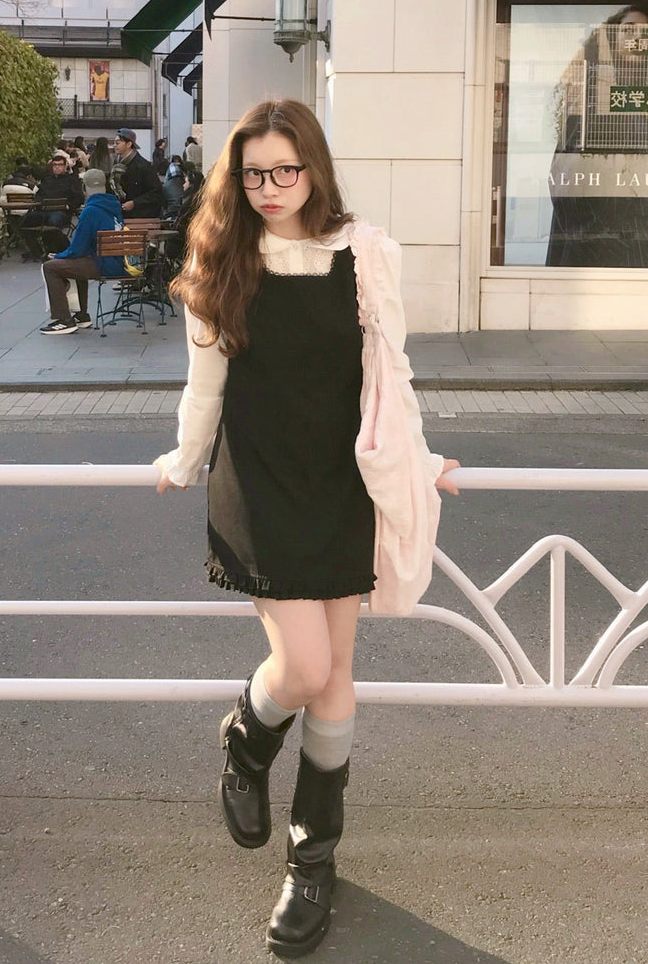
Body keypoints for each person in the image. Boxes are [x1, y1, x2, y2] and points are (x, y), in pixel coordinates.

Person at [154, 98, 460, 958]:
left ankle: (311, 861)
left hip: (338, 481)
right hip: (257, 479)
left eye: (284, 169)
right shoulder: (219, 258)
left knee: (334, 682)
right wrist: (183, 457)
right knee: (303, 667)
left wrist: (420, 458)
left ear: (313, 168)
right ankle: (248, 738)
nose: (269, 187)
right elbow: (205, 384)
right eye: (253, 173)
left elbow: (390, 371)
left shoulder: (365, 253)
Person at [547, 4, 648, 266]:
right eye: (629, 29)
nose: (638, 37)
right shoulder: (587, 92)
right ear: (612, 37)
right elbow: (567, 175)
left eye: (645, 31)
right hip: (593, 242)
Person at [39, 169, 125, 335]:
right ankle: (81, 316)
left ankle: (64, 320)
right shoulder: (113, 206)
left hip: (104, 264)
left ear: (84, 188)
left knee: (50, 267)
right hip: (117, 261)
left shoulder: (90, 211)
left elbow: (77, 248)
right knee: (77, 264)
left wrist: (58, 256)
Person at [20, 153, 83, 262]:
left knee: (53, 223)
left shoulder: (72, 180)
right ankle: (37, 250)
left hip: (61, 211)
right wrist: (38, 203)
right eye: (55, 165)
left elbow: (79, 197)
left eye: (60, 165)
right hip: (43, 211)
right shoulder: (47, 180)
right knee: (26, 221)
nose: (57, 167)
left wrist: (69, 206)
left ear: (65, 166)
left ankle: (57, 250)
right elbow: (39, 195)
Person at [109, 128, 163, 219]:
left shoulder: (143, 165)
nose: (114, 145)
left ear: (129, 144)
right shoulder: (117, 163)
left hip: (140, 215)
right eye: (114, 143)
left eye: (117, 143)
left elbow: (156, 193)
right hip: (120, 212)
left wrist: (135, 203)